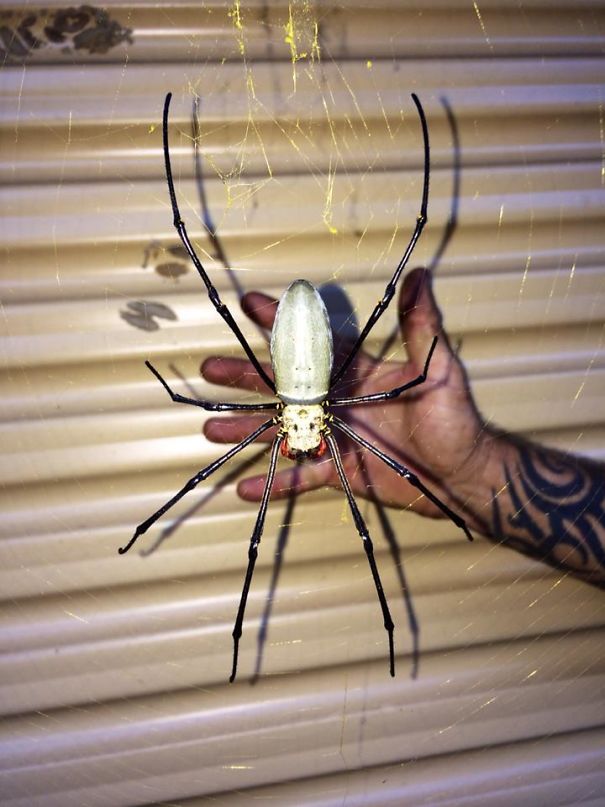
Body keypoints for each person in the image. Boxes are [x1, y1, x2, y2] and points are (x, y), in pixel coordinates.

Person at [201, 267, 605, 587]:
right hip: (306, 380)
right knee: (318, 534)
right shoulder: (337, 425)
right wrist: (474, 472)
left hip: (297, 381)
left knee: (359, 532)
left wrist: (471, 470)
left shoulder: (317, 424)